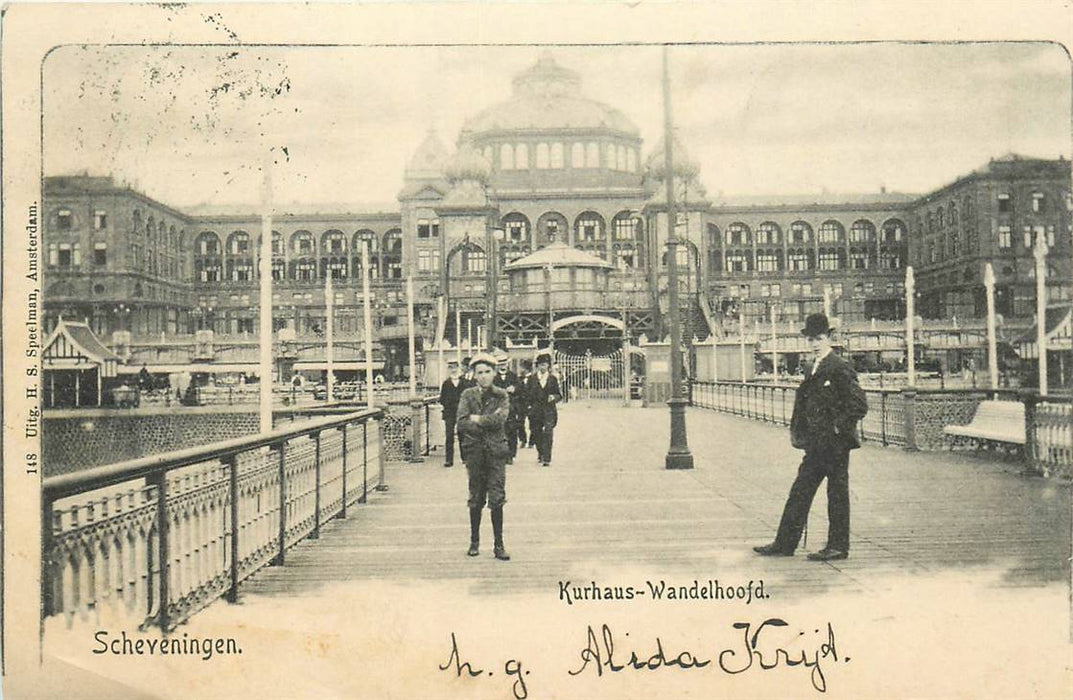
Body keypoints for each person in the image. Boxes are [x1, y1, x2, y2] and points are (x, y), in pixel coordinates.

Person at [754, 313, 869, 561]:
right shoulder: (813, 366)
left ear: (828, 338)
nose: (814, 344)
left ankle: (838, 546)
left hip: (835, 445)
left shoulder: (839, 366)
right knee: (800, 491)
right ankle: (785, 543)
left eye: (818, 339)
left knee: (836, 494)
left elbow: (858, 405)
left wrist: (838, 429)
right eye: (811, 340)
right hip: (816, 444)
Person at [456, 352, 512, 560]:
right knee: (476, 497)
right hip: (475, 453)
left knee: (497, 498)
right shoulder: (467, 395)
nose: (484, 376)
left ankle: (499, 545)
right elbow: (461, 422)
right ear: (473, 374)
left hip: (496, 453)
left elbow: (501, 420)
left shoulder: (502, 395)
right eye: (479, 372)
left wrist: (477, 419)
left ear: (495, 373)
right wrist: (488, 420)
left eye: (488, 372)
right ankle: (474, 541)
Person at [526, 352, 562, 467]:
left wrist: (554, 397)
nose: (543, 367)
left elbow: (559, 395)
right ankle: (541, 453)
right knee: (536, 433)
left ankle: (547, 458)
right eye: (541, 365)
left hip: (548, 410)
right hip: (535, 410)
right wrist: (528, 407)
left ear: (548, 366)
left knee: (548, 433)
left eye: (545, 364)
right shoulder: (532, 379)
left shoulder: (552, 379)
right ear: (537, 366)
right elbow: (526, 395)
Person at [492, 352, 524, 463]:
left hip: (511, 408)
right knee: (499, 432)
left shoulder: (513, 376)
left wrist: (514, 389)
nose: (503, 366)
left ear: (507, 364)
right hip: (498, 408)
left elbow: (520, 389)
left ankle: (511, 455)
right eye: (500, 364)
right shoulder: (494, 378)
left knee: (512, 432)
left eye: (504, 363)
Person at [438, 359, 465, 467]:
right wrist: (449, 404)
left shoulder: (463, 382)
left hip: (462, 412)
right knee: (449, 436)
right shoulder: (446, 383)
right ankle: (449, 460)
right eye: (451, 367)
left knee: (462, 434)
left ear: (458, 368)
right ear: (448, 369)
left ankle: (465, 458)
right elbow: (442, 399)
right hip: (449, 412)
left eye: (455, 367)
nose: (453, 370)